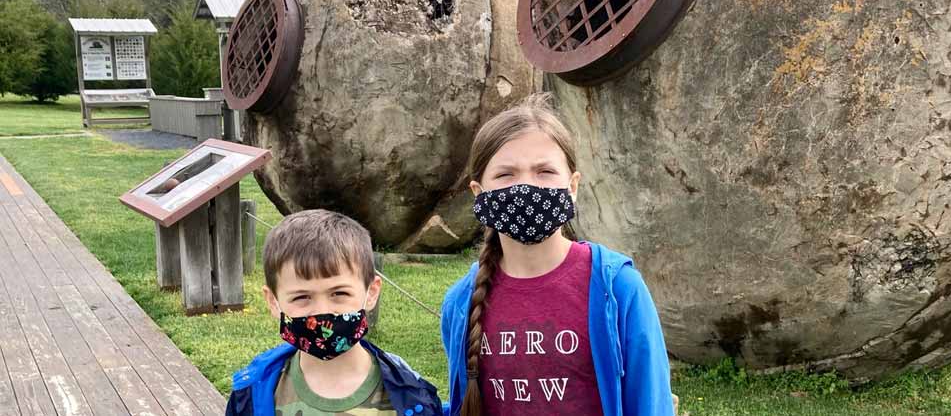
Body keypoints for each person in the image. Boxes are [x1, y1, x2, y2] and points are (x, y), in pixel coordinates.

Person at [440, 93, 676, 416]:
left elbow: (651, 404)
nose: (526, 187)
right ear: (479, 194)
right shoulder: (460, 304)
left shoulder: (620, 290)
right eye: (506, 174)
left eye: (545, 172)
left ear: (573, 187)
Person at [226, 209, 443, 416]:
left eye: (339, 293)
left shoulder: (413, 397)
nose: (322, 312)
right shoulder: (251, 394)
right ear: (273, 301)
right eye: (302, 297)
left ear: (371, 293)